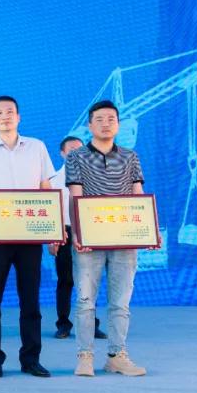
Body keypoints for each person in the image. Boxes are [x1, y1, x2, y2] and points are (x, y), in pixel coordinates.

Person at [0, 96, 56, 378]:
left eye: (10, 112)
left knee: (30, 300)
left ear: (19, 117)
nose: (5, 116)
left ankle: (31, 359)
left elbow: (45, 187)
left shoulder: (37, 147)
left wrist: (53, 227)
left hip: (30, 234)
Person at [66, 99, 153, 377]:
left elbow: (138, 195)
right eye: (100, 119)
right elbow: (75, 197)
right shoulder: (76, 157)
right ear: (90, 125)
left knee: (120, 301)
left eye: (111, 119)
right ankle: (85, 356)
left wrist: (148, 230)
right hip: (89, 240)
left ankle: (117, 356)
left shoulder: (130, 157)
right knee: (85, 300)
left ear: (118, 124)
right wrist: (78, 233)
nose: (106, 124)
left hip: (124, 238)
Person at [49, 136, 105, 340]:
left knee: (89, 281)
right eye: (71, 149)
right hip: (63, 233)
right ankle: (63, 325)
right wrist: (52, 237)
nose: (76, 153)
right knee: (65, 280)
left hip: (88, 232)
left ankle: (91, 324)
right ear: (62, 153)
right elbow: (50, 210)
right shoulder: (53, 180)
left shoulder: (94, 177)